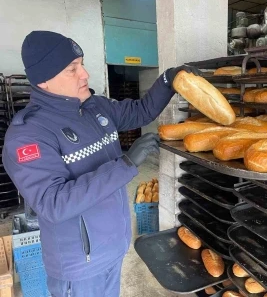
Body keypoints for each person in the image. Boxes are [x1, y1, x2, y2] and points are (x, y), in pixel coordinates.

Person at [2, 31, 199, 297]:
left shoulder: (95, 108)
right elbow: (54, 203)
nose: (85, 74)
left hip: (113, 249)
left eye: (81, 64)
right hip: (80, 266)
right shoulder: (29, 135)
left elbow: (141, 111)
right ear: (44, 80)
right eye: (73, 69)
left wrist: (168, 79)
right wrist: (126, 163)